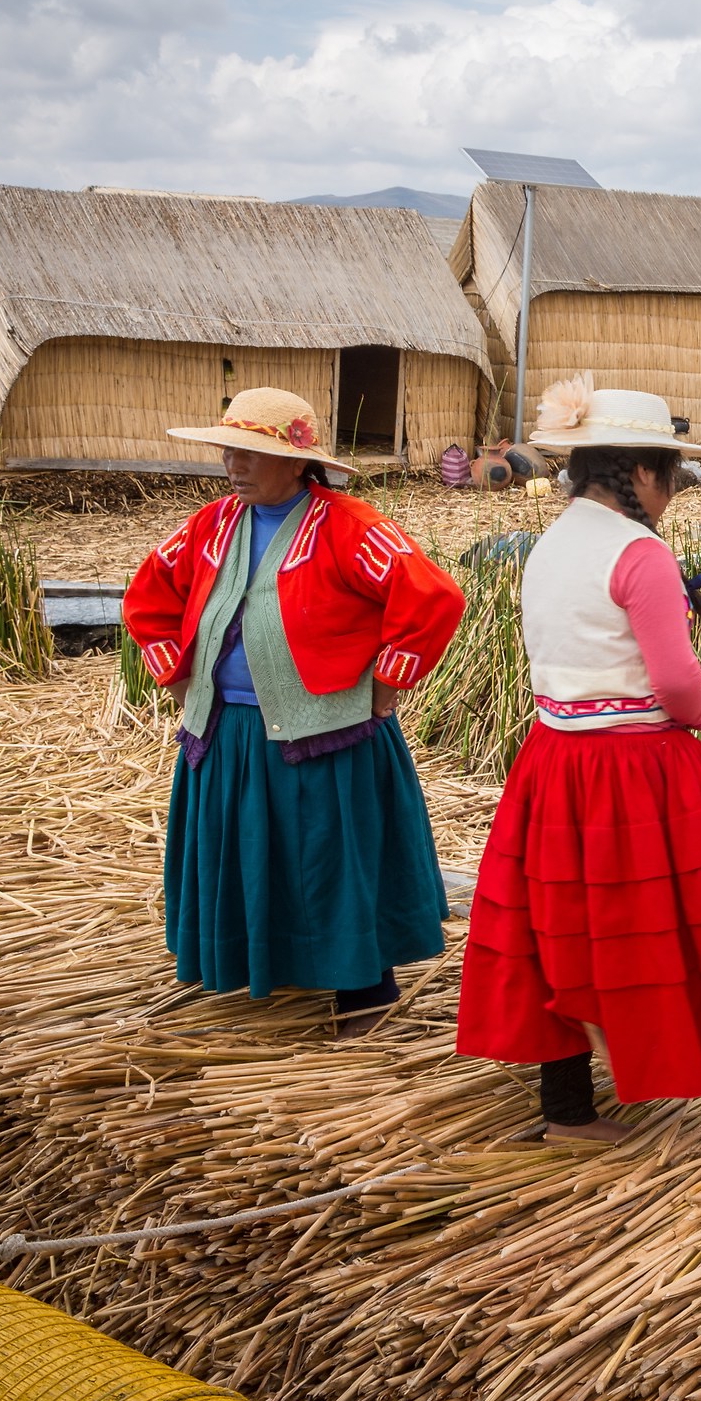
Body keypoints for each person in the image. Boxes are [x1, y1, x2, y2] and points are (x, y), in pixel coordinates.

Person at [454, 381, 701, 1140]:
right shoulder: (639, 551)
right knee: (678, 920)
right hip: (635, 772)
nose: (671, 497)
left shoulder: (551, 543)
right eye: (670, 478)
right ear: (643, 474)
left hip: (554, 763)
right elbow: (676, 682)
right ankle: (656, 1060)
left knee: (560, 930)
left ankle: (567, 1107)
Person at [124, 388, 465, 1036]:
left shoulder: (347, 526)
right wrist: (177, 675)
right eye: (229, 450)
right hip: (228, 734)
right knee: (258, 854)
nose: (234, 464)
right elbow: (146, 597)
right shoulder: (212, 525)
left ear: (297, 462)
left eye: (252, 453)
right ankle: (272, 967)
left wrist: (389, 682)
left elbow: (433, 598)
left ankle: (364, 992)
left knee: (330, 856)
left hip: (325, 733)